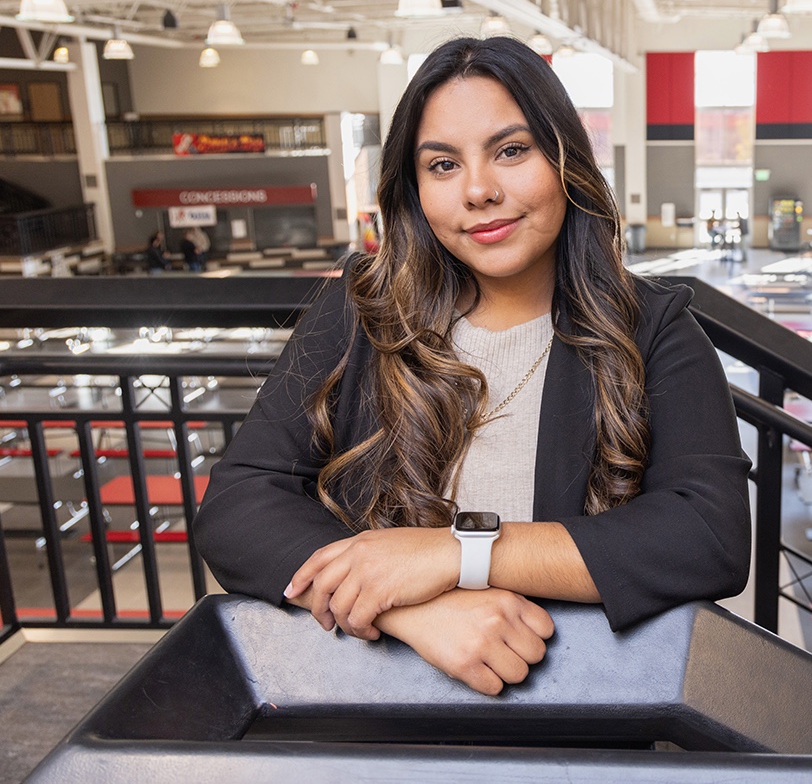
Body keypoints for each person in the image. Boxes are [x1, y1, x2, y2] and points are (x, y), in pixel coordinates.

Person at [195, 36, 751, 696]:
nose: (479, 190)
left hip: (575, 714)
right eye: (442, 165)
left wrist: (456, 553)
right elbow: (238, 504)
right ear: (414, 186)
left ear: (563, 158)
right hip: (369, 708)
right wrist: (410, 608)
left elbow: (706, 534)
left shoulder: (649, 328)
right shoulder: (362, 309)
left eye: (511, 151)